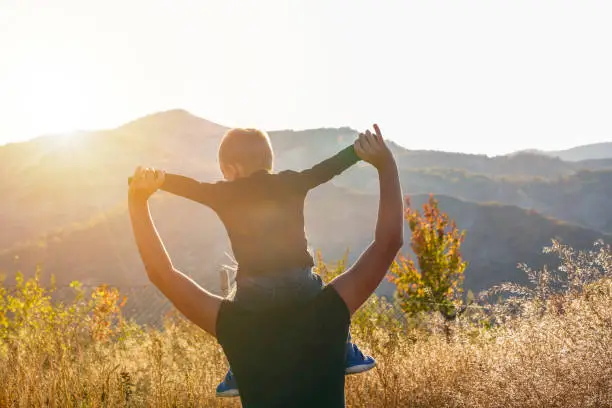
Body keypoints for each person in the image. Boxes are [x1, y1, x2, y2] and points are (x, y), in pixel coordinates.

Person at [128, 124, 404, 407]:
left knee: (236, 292)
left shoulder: (233, 325)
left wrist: (145, 193)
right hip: (305, 288)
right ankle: (346, 347)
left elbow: (162, 272)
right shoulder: (331, 310)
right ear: (269, 164)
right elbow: (387, 241)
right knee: (315, 285)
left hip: (251, 300)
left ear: (229, 167)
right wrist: (379, 161)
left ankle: (236, 367)